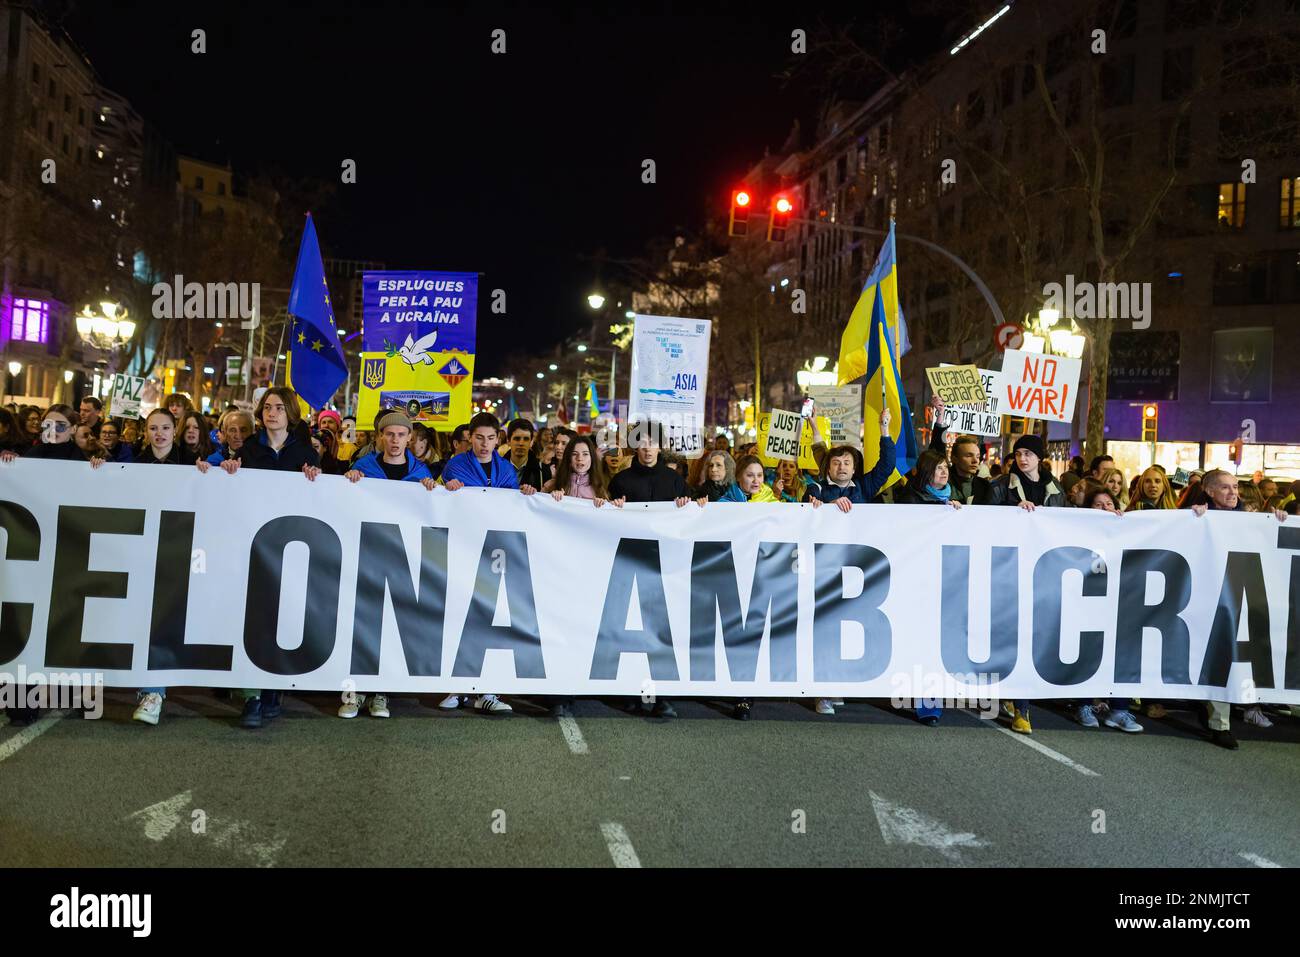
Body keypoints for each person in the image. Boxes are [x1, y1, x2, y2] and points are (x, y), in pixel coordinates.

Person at [214, 389, 321, 728]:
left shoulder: (306, 453)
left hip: (290, 549)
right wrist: (228, 471)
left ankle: (274, 687)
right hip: (254, 545)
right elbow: (231, 490)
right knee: (254, 617)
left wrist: (315, 481)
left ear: (291, 414)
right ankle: (252, 696)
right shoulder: (248, 450)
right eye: (267, 408)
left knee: (283, 617)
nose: (272, 413)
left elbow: (321, 501)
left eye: (279, 408)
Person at [334, 412, 437, 721]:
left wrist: (436, 491)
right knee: (359, 625)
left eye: (400, 435)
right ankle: (353, 691)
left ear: (410, 438)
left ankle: (381, 692)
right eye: (389, 435)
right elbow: (342, 505)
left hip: (402, 559)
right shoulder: (363, 468)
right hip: (366, 554)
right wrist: (349, 483)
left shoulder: (422, 474)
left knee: (391, 627)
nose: (394, 441)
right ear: (380, 437)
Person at [124, 408, 213, 725]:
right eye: (152, 428)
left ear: (174, 430)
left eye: (165, 427)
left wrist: (213, 471)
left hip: (181, 552)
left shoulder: (194, 465)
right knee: (146, 619)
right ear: (145, 432)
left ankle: (154, 690)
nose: (158, 433)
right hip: (143, 551)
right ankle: (150, 690)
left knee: (164, 620)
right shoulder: (131, 466)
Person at [1190, 469, 1288, 747]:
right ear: (1209, 491)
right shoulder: (1197, 516)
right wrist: (1192, 517)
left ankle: (1245, 707)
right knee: (1221, 657)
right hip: (1211, 600)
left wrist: (1278, 521)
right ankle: (1219, 723)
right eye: (1225, 488)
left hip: (1245, 598)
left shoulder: (1252, 520)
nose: (1233, 493)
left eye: (1235, 487)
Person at [607, 428, 692, 718]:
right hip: (630, 563)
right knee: (631, 630)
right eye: (641, 442)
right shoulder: (621, 480)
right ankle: (631, 691)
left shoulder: (675, 481)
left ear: (660, 447)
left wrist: (689, 506)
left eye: (652, 443)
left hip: (666, 567)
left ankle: (663, 696)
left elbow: (694, 517)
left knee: (663, 631)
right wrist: (613, 508)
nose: (647, 448)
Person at [438, 411, 516, 715]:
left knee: (490, 619)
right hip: (463, 548)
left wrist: (525, 495)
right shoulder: (455, 466)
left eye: (491, 438)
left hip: (495, 552)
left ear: (498, 439)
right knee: (460, 616)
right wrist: (450, 490)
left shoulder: (507, 470)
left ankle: (488, 690)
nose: (485, 444)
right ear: (470, 437)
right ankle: (457, 686)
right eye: (479, 437)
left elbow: (512, 508)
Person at [987, 432, 1065, 733]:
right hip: (1007, 570)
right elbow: (984, 520)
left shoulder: (1055, 488)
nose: (1022, 458)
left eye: (1028, 454)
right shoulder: (999, 487)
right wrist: (1012, 514)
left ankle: (1021, 706)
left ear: (1039, 458)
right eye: (1018, 453)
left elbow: (1065, 522)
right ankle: (1014, 701)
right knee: (1009, 635)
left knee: (1030, 638)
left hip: (1041, 573)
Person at [539, 434, 620, 718]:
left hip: (589, 572)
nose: (580, 459)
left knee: (581, 629)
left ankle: (576, 684)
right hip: (558, 571)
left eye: (585, 454)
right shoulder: (552, 486)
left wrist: (612, 507)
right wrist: (549, 499)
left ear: (592, 458)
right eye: (575, 454)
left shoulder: (602, 488)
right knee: (559, 629)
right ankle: (559, 693)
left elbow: (614, 524)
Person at [808, 409, 896, 511]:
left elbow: (887, 465)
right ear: (828, 468)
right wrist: (830, 506)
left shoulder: (865, 486)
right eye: (836, 463)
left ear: (854, 468)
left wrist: (884, 428)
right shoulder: (816, 489)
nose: (841, 467)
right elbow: (806, 507)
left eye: (847, 463)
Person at [0, 405, 88, 463]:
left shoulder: (79, 457)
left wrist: (98, 464)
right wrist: (10, 461)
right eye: (48, 425)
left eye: (60, 426)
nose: (53, 430)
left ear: (73, 429)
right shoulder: (35, 451)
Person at [503, 417, 545, 490]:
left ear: (531, 442)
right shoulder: (496, 469)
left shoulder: (543, 470)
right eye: (517, 439)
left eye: (526, 439)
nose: (521, 443)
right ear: (508, 441)